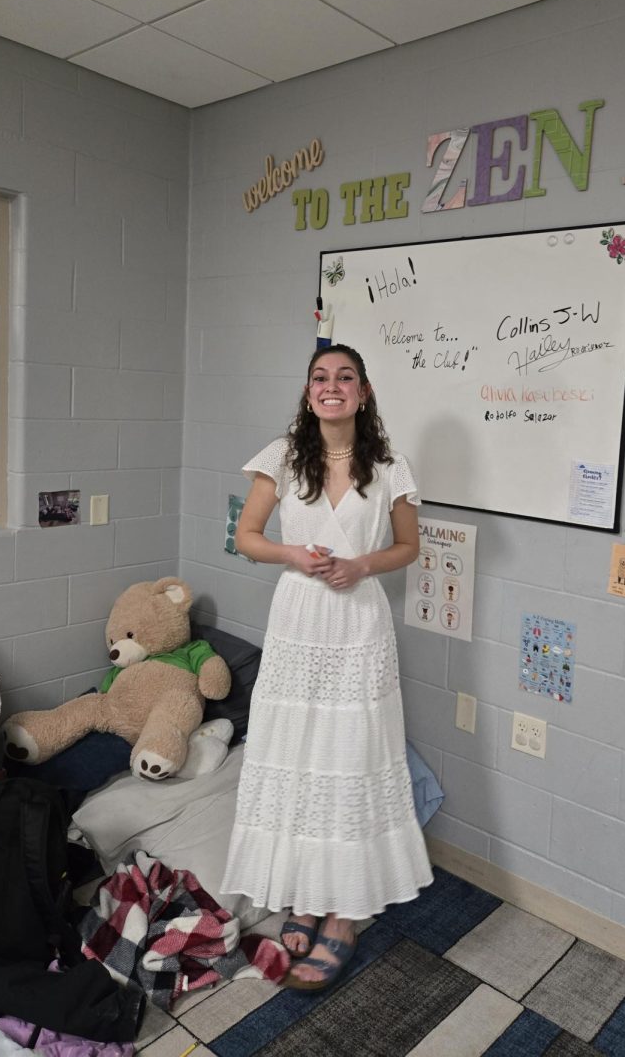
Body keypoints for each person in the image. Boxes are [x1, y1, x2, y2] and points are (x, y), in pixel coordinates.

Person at [221, 343, 433, 991]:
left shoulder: (389, 465)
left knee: (350, 757)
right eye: (321, 378)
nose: (331, 387)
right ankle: (307, 896)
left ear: (363, 392)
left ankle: (343, 914)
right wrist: (295, 554)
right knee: (300, 755)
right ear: (309, 390)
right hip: (298, 619)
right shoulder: (282, 457)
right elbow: (247, 537)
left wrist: (360, 564)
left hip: (359, 622)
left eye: (344, 378)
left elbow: (408, 546)